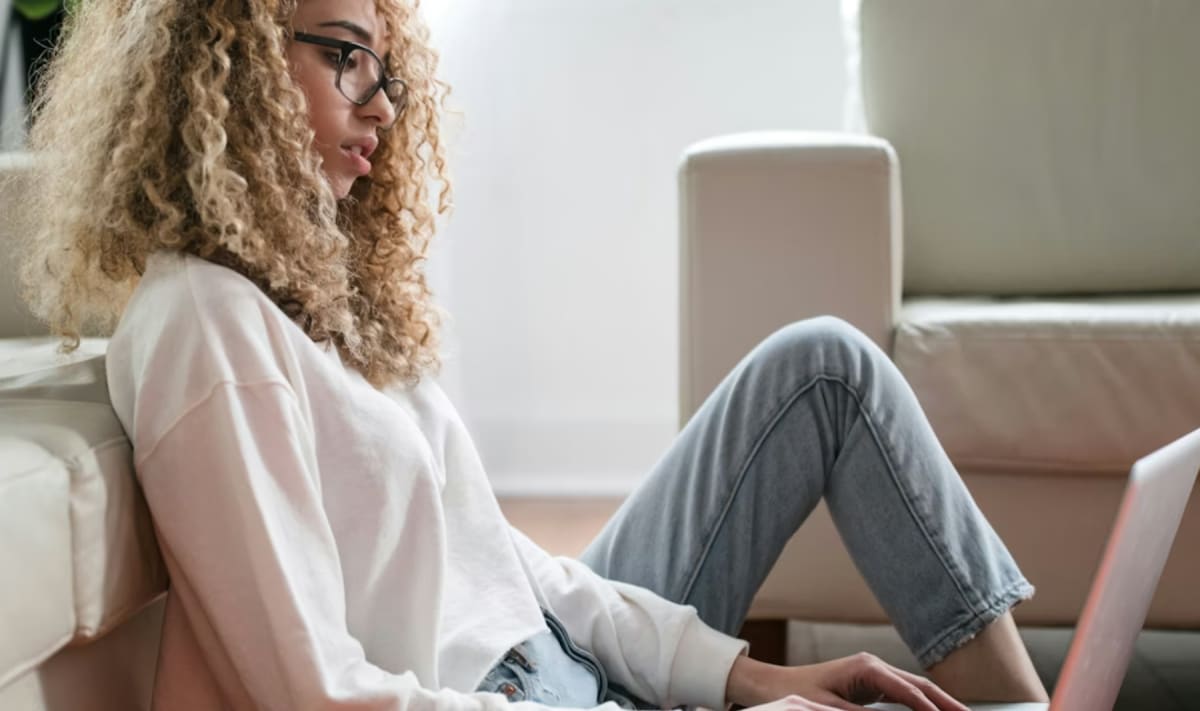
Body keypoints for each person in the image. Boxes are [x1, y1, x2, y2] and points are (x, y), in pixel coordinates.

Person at [17, 0, 1050, 709]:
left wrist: (746, 678)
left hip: (556, 657)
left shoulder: (332, 302)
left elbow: (508, 569)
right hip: (501, 694)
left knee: (825, 365)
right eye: (341, 54)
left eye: (385, 70)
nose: (378, 104)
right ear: (226, 61)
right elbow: (311, 691)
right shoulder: (205, 325)